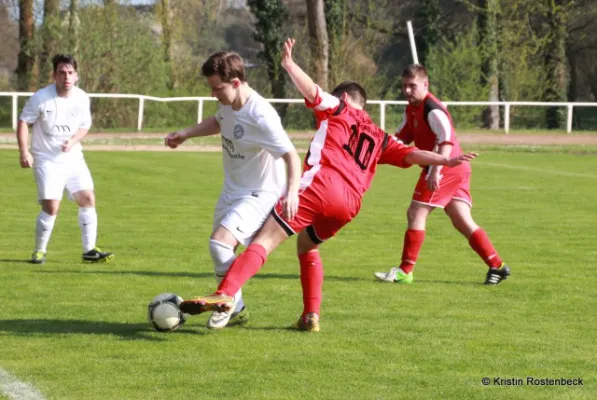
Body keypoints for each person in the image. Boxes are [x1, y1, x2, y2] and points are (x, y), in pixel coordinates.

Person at [177, 38, 478, 332]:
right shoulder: (380, 136)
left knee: (264, 241)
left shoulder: (338, 108)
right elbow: (411, 154)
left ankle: (226, 292)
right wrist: (445, 160)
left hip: (320, 187)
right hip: (349, 205)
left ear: (344, 98)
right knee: (307, 245)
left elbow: (311, 90)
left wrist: (290, 65)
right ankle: (311, 314)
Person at [165, 51, 302, 330]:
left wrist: (292, 192)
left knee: (220, 243)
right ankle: (236, 309)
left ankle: (226, 301)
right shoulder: (228, 104)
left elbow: (291, 155)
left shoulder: (261, 115)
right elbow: (219, 121)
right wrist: (186, 133)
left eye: (218, 88)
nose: (213, 94)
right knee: (220, 251)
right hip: (232, 190)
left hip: (260, 193)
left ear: (236, 82)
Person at [374, 64, 510, 285]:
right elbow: (401, 139)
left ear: (425, 84)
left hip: (446, 167)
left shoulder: (432, 108)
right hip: (453, 168)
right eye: (404, 86)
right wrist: (375, 148)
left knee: (416, 212)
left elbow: (446, 141)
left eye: (412, 86)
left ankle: (405, 271)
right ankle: (498, 266)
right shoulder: (412, 109)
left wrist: (436, 171)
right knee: (462, 221)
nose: (407, 91)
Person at [17, 54, 114, 265]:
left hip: (73, 158)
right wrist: (24, 151)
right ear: (54, 75)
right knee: (52, 206)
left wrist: (73, 141)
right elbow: (23, 122)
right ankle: (39, 251)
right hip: (46, 159)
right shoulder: (41, 98)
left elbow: (84, 126)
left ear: (76, 75)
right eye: (62, 73)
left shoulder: (82, 97)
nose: (66, 77)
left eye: (70, 73)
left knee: (87, 198)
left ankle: (89, 250)